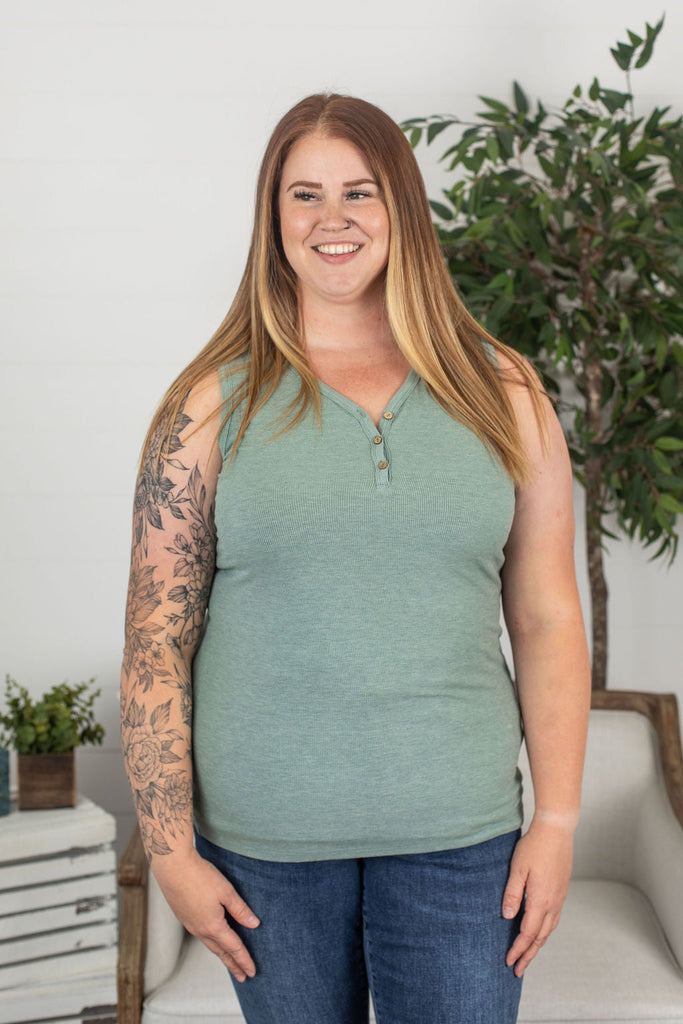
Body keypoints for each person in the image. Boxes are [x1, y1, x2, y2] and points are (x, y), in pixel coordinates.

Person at [121, 93, 591, 1024]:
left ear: (401, 208)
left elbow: (546, 617)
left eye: (359, 192)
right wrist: (170, 854)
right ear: (273, 217)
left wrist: (557, 820)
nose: (330, 218)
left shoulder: (504, 391)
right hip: (265, 851)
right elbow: (155, 643)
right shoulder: (205, 405)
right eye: (304, 194)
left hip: (463, 841)